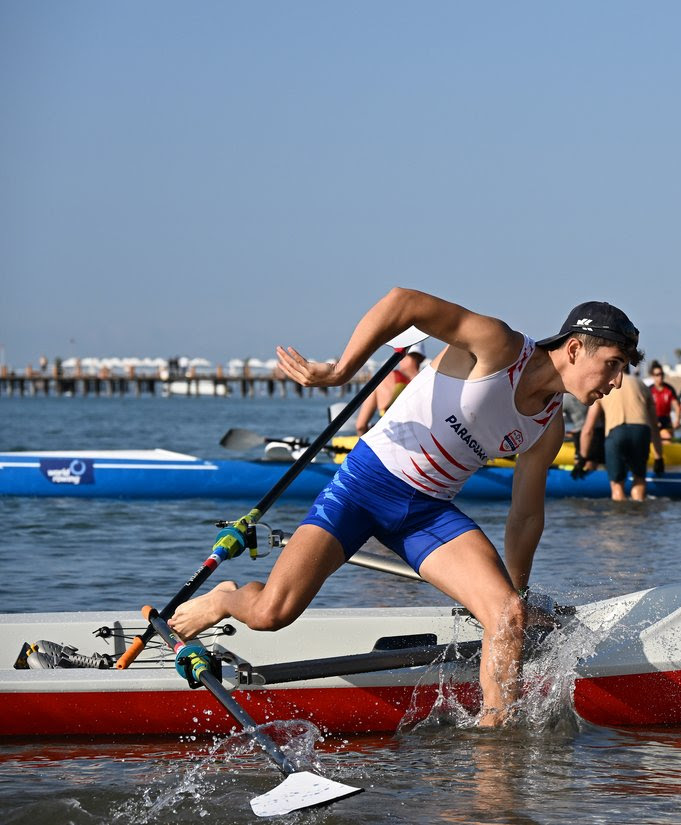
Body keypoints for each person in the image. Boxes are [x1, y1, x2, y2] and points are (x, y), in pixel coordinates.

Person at [169, 291, 642, 726]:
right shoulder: (498, 347)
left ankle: (497, 744)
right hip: (362, 488)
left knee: (508, 615)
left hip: (427, 514)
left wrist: (511, 597)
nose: (618, 382)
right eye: (614, 364)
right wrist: (340, 371)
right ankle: (225, 598)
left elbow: (525, 516)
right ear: (576, 348)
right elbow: (404, 303)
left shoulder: (548, 426)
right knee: (272, 613)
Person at [578, 365, 665, 500]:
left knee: (617, 485)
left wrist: (582, 459)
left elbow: (588, 429)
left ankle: (620, 518)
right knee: (639, 478)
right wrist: (659, 457)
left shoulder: (604, 386)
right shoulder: (641, 384)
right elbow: (654, 424)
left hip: (616, 432)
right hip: (641, 431)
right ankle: (639, 516)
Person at [355, 348, 426, 435]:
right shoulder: (429, 381)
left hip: (389, 440)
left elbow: (360, 426)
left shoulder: (382, 379)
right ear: (422, 358)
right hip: (422, 442)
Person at [647, 360, 681, 438]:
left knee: (668, 438)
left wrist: (677, 420)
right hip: (653, 421)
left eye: (662, 374)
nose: (660, 377)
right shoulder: (649, 390)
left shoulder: (669, 389)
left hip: (666, 420)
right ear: (653, 376)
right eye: (657, 374)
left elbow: (676, 406)